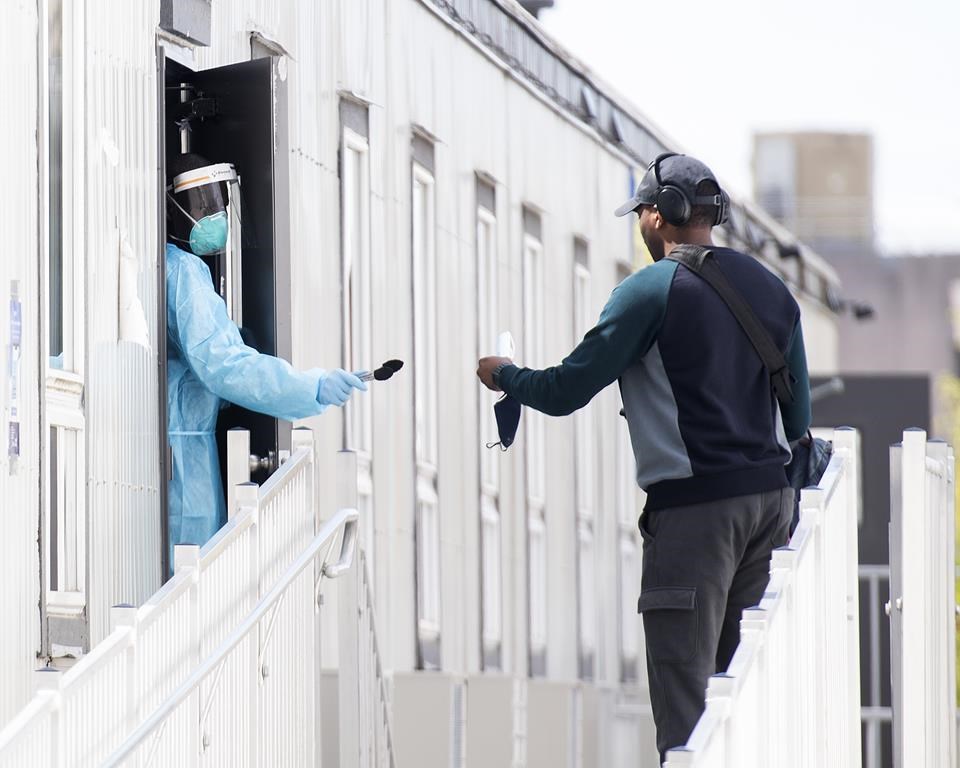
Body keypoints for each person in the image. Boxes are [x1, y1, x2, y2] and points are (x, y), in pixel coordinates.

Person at [477, 153, 811, 763]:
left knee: (686, 699)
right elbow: (800, 422)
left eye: (642, 213)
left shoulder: (649, 292)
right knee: (748, 691)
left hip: (695, 514)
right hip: (771, 508)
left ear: (659, 216)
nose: (640, 224)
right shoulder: (772, 290)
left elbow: (565, 390)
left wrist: (506, 376)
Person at [165, 152, 366, 565]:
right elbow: (224, 365)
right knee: (191, 591)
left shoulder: (170, 267)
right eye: (200, 202)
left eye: (217, 200)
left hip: (179, 457)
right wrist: (311, 386)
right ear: (172, 208)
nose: (213, 213)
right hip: (182, 467)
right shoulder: (183, 272)